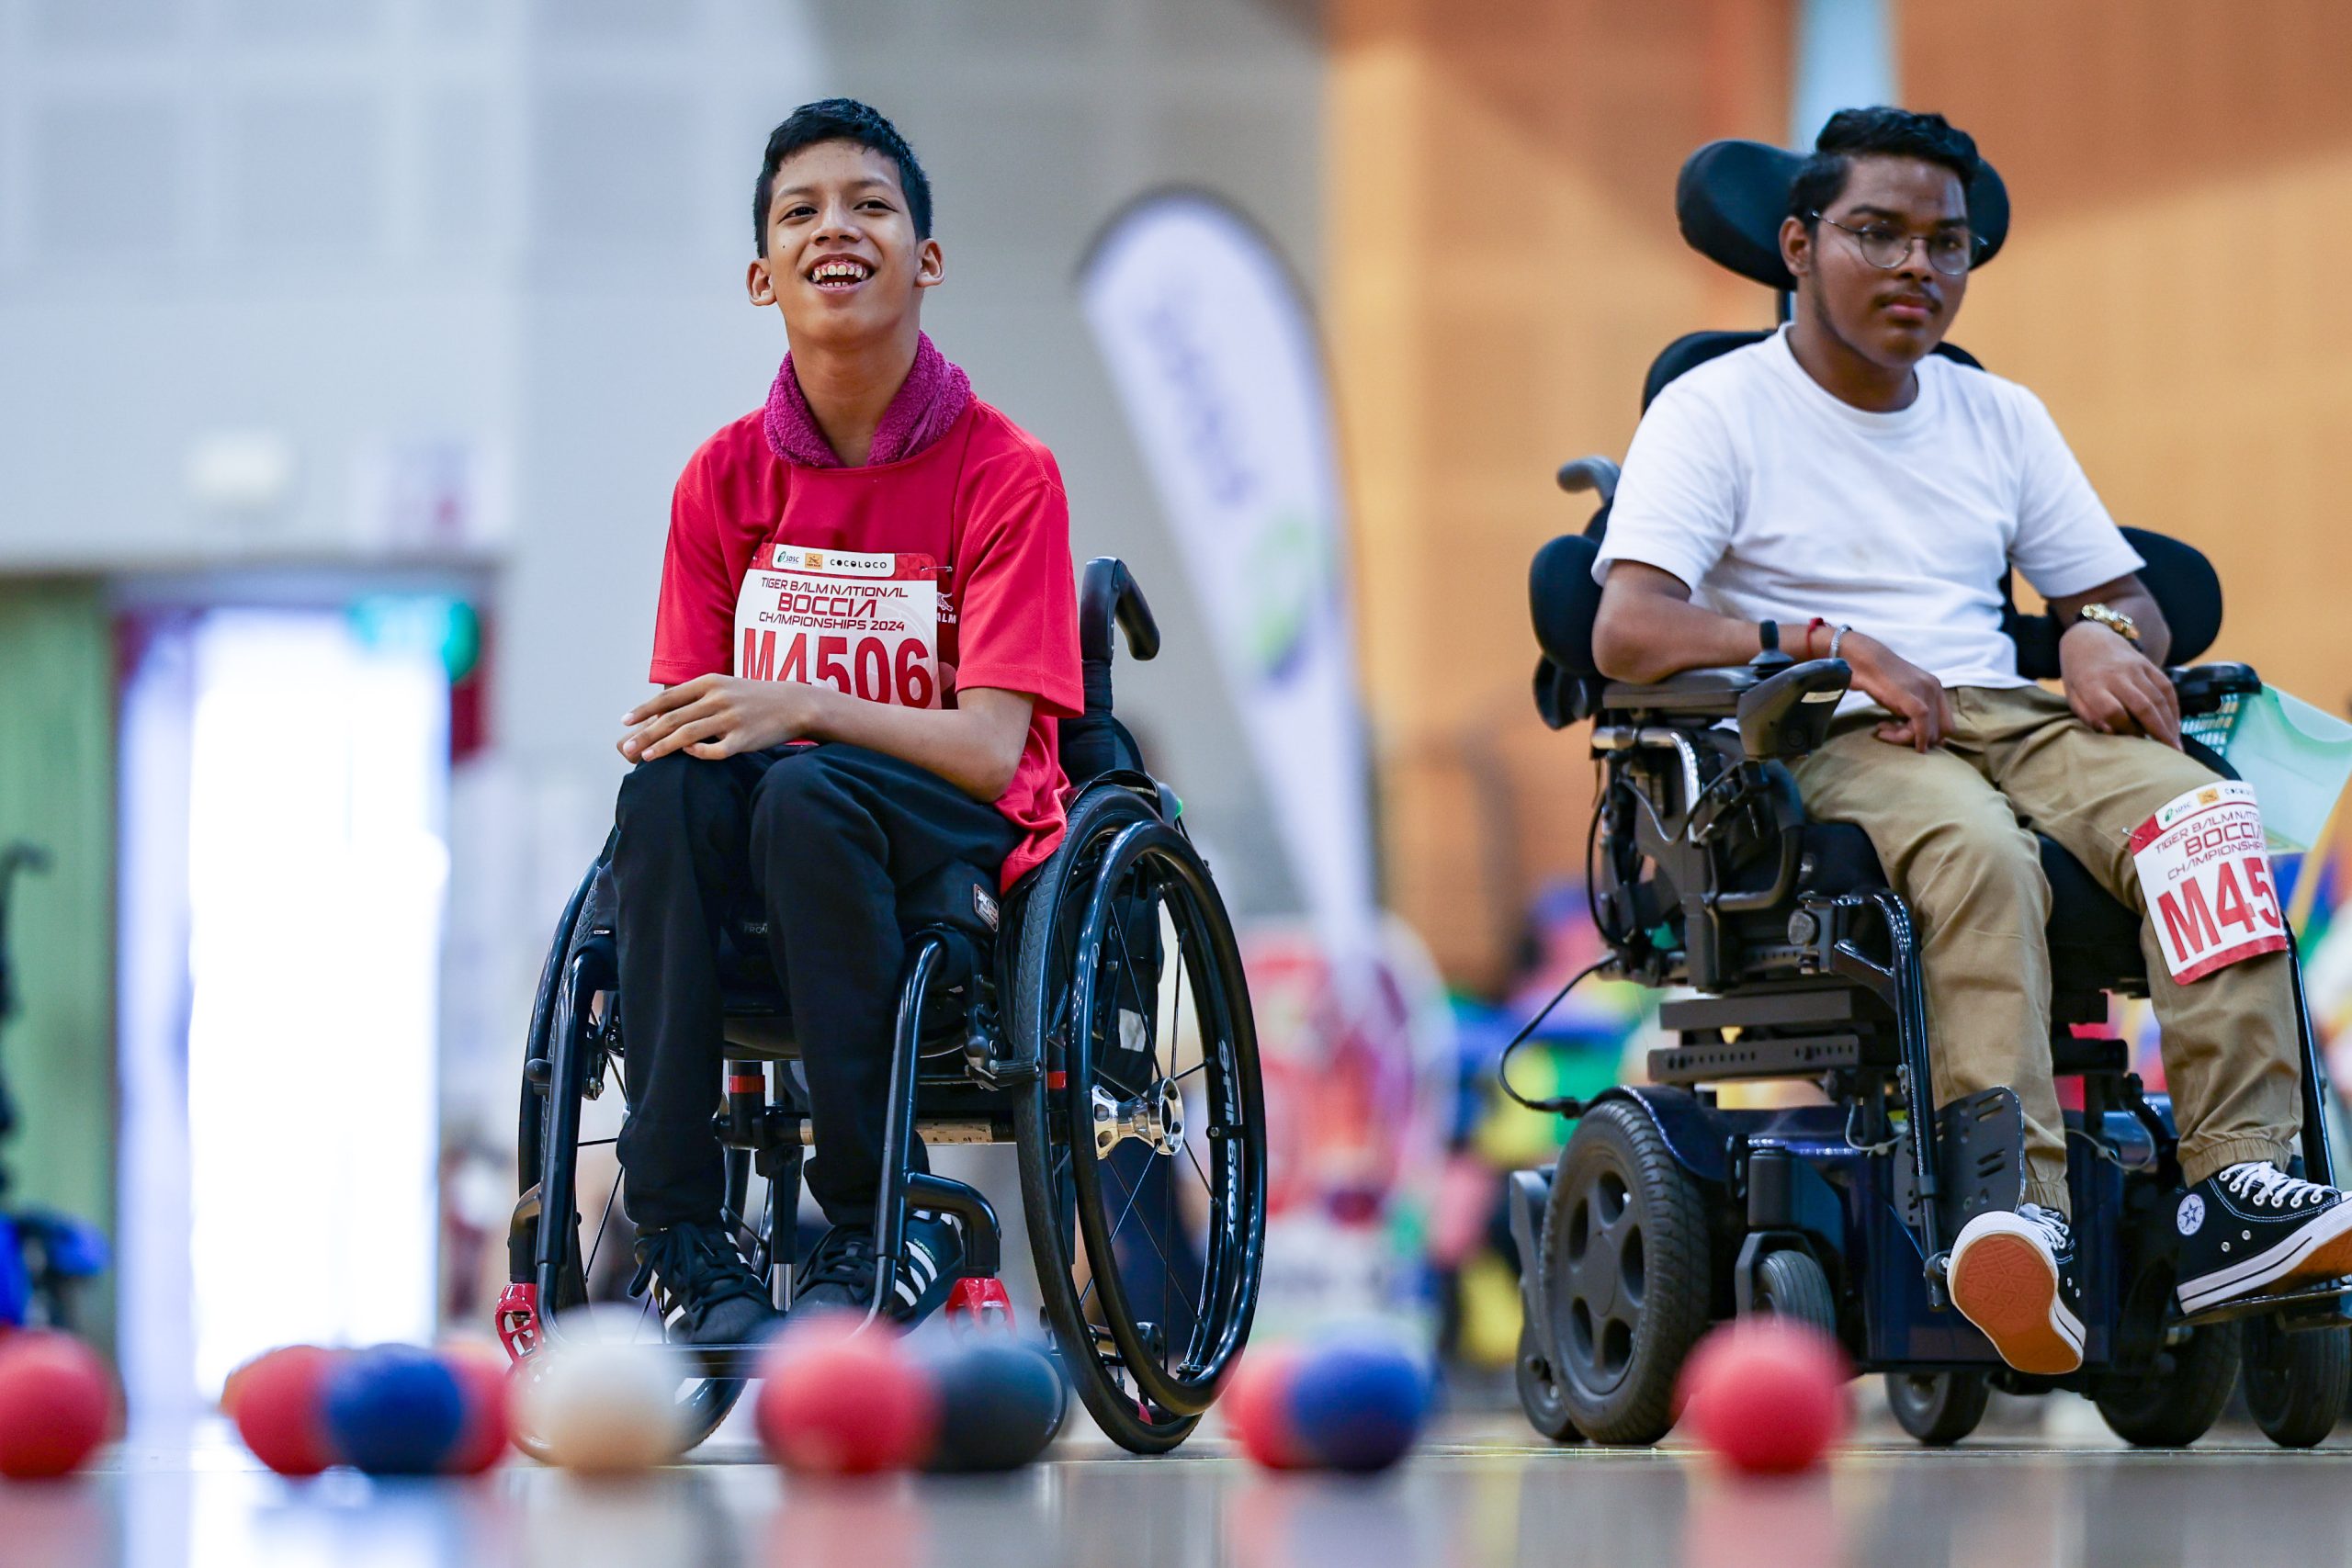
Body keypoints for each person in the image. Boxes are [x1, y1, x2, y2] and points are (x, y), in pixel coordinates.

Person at [1589, 107, 2352, 1375]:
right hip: (1821, 726)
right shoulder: (1714, 409)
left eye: (1947, 244)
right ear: (1797, 243)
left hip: (2004, 709)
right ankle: (2018, 1211)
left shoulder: (1996, 415)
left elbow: (2120, 596)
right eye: (1877, 235)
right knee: (1976, 854)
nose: (1917, 269)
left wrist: (2104, 630)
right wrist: (1819, 641)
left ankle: (2238, 1187)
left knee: (2205, 814)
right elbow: (1628, 627)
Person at [608, 99, 1081, 1345]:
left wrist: (810, 706)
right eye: (800, 212)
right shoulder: (721, 479)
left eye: (870, 206)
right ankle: (678, 1232)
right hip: (777, 832)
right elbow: (695, 726)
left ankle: (874, 1218)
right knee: (661, 792)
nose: (837, 229)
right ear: (762, 276)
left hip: (949, 831)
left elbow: (991, 748)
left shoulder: (1006, 473)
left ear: (925, 259)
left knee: (808, 791)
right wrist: (681, 739)